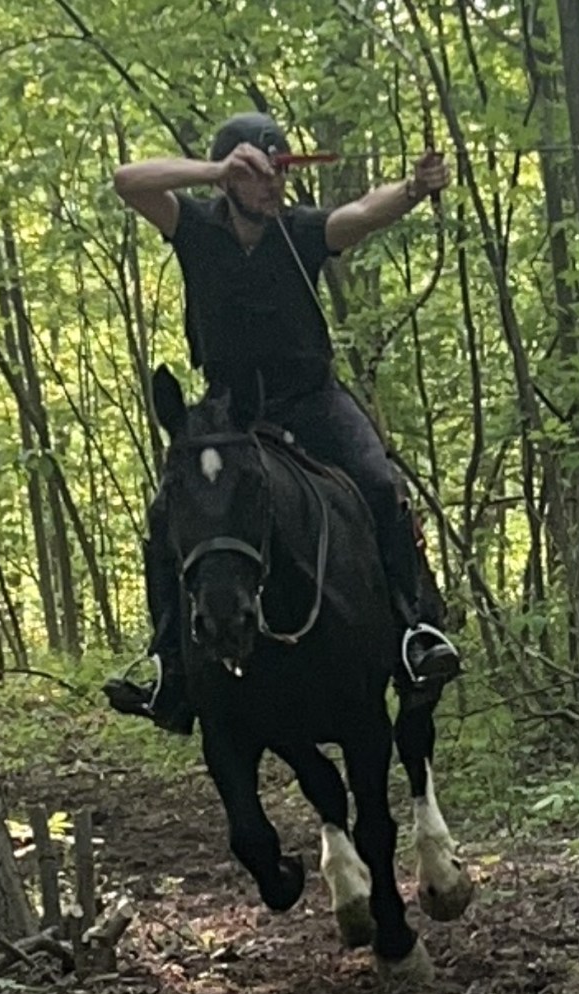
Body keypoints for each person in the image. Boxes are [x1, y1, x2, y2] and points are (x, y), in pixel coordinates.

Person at [104, 111, 460, 733]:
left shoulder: (299, 230)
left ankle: (413, 630)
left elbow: (361, 214)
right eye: (259, 173)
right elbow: (127, 179)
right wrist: (217, 166)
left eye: (279, 172)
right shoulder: (193, 227)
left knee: (378, 485)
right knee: (169, 513)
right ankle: (169, 667)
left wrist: (410, 189)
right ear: (230, 180)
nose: (273, 185)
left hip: (311, 400)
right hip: (230, 412)